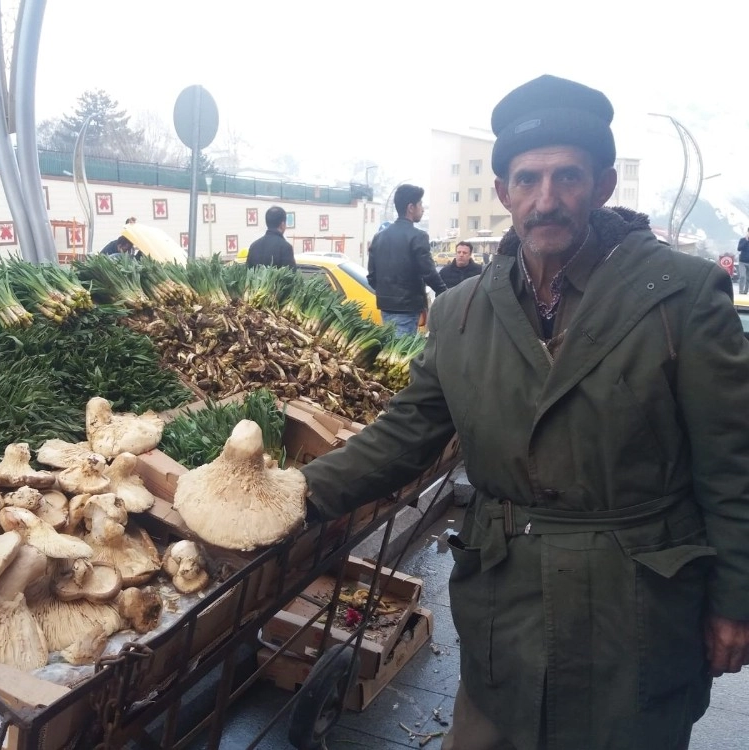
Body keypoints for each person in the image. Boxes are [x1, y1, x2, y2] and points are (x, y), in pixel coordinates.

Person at [301, 74, 749, 750]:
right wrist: (297, 494)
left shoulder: (680, 297)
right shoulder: (461, 313)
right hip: (507, 607)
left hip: (637, 610)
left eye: (567, 176)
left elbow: (731, 464)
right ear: (504, 189)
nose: (547, 200)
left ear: (602, 185)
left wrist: (735, 601)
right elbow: (405, 433)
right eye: (528, 178)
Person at [366, 184, 447, 335]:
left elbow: (371, 277)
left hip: (386, 307)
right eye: (420, 204)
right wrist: (445, 292)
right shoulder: (418, 236)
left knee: (390, 351)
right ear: (411, 207)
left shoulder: (379, 237)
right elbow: (428, 272)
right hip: (407, 309)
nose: (422, 209)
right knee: (400, 355)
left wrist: (388, 294)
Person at [738, 228, 749, 294]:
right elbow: (739, 248)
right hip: (742, 262)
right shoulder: (742, 240)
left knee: (748, 278)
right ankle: (740, 291)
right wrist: (746, 241)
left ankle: (746, 291)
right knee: (742, 276)